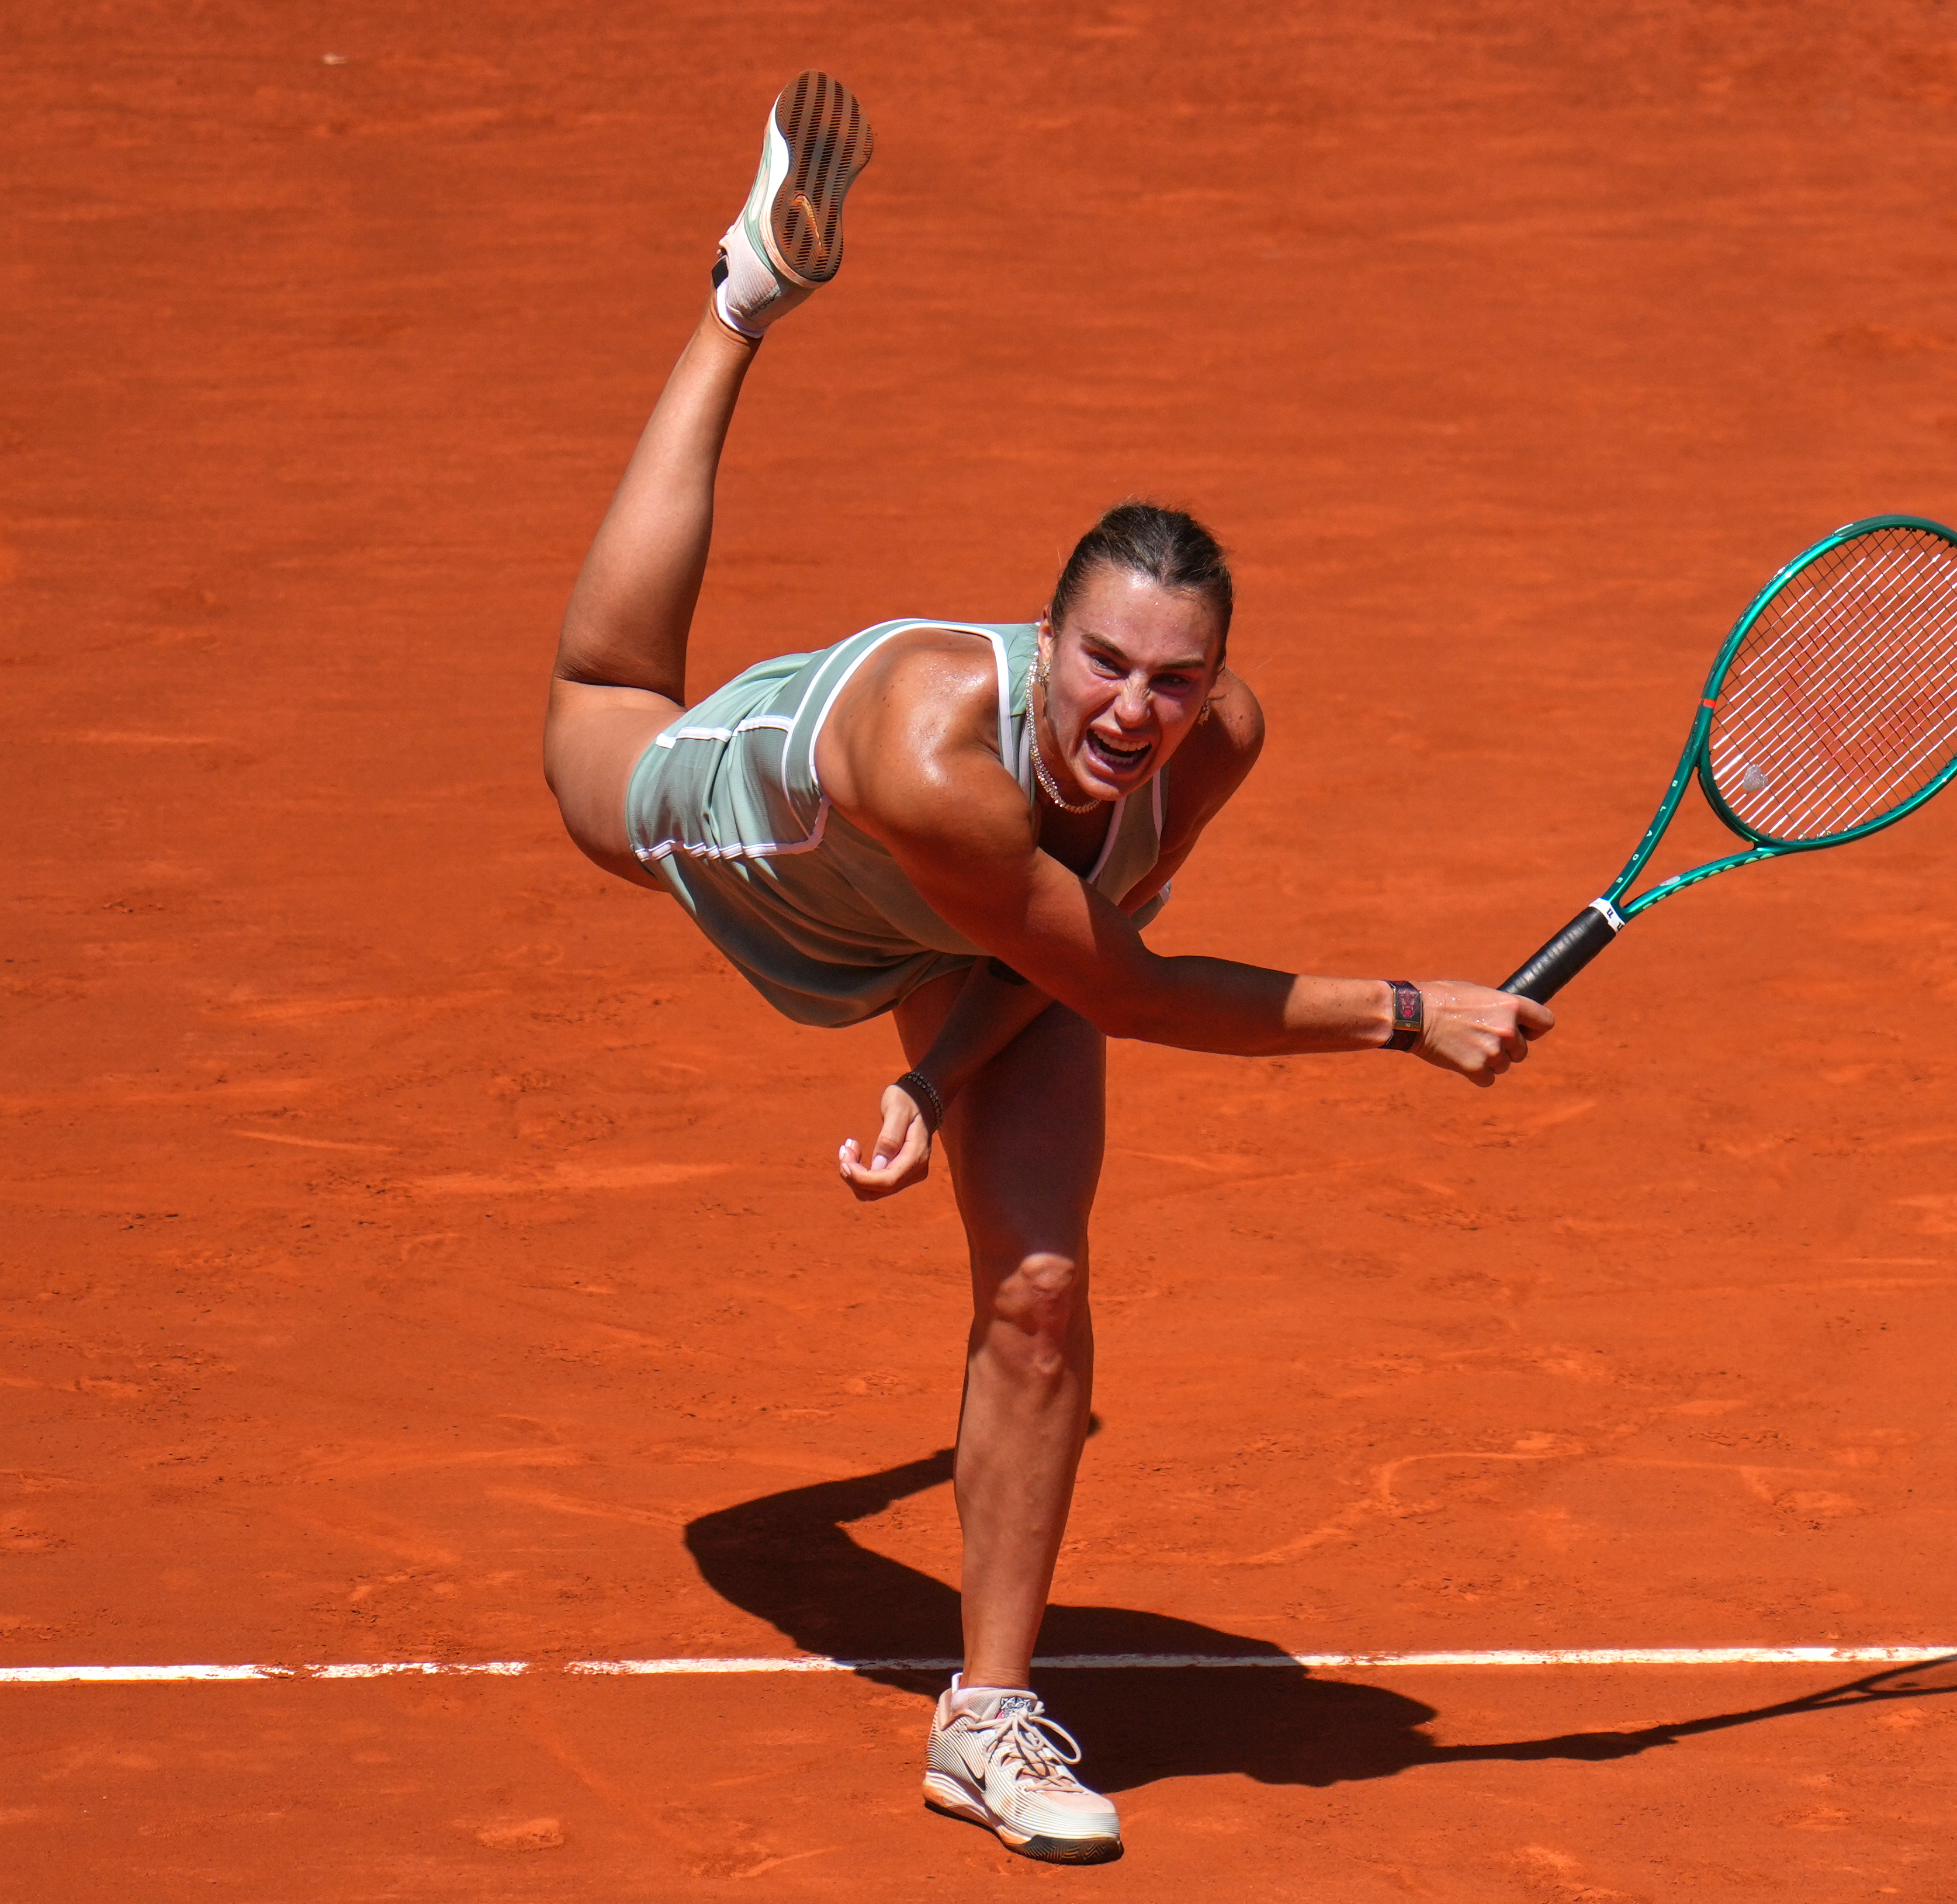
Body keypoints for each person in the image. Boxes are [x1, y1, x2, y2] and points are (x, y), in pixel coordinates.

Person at [539, 71, 1554, 1866]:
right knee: (610, 693)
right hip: (766, 854)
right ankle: (736, 307)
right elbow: (1132, 997)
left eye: (1173, 680)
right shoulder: (939, 760)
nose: (1132, 712)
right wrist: (1408, 1011)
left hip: (964, 934)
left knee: (1039, 1296)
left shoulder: (1204, 747)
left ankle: (987, 1717)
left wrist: (934, 1082)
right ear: (1043, 632)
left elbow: (1090, 947)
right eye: (1101, 665)